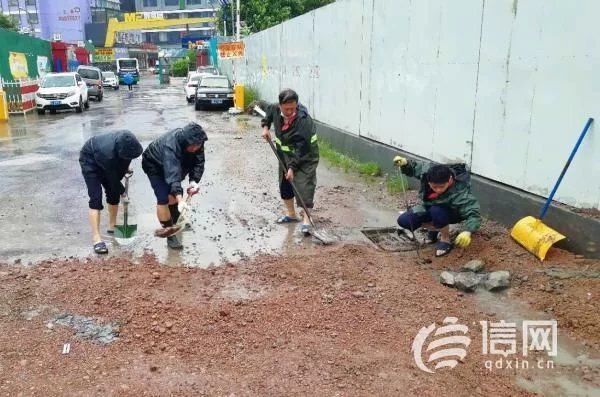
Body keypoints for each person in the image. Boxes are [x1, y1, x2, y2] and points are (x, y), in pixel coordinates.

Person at [393, 155, 481, 257]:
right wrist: (405, 164)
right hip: (430, 206)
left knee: (437, 211)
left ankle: (445, 239)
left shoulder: (459, 191)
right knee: (404, 220)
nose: (438, 190)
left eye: (442, 186)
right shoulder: (427, 172)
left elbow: (474, 213)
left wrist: (468, 231)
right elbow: (413, 168)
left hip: (452, 212)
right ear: (428, 181)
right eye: (434, 187)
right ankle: (435, 230)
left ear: (449, 180)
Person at [261, 89, 320, 235]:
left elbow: (302, 148)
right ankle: (291, 215)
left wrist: (292, 168)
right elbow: (268, 115)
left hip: (306, 155)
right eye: (286, 108)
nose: (289, 111)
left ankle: (307, 220)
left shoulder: (303, 119)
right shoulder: (274, 108)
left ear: (296, 105)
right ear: (280, 105)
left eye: (293, 108)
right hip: (284, 154)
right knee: (285, 183)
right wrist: (266, 127)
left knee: (304, 184)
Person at [142, 122, 207, 249]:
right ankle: (169, 234)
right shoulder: (170, 146)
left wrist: (194, 181)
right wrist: (180, 200)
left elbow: (199, 161)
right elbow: (173, 175)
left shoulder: (197, 141)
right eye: (193, 146)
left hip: (176, 163)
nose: (195, 148)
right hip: (154, 164)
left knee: (173, 194)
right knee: (164, 197)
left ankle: (177, 222)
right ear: (185, 141)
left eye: (198, 145)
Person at [79, 130, 143, 254]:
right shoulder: (106, 154)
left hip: (108, 159)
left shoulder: (127, 142)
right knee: (95, 198)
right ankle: (97, 239)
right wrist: (123, 193)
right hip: (90, 159)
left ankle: (112, 226)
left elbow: (124, 161)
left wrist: (125, 168)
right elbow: (112, 177)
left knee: (113, 194)